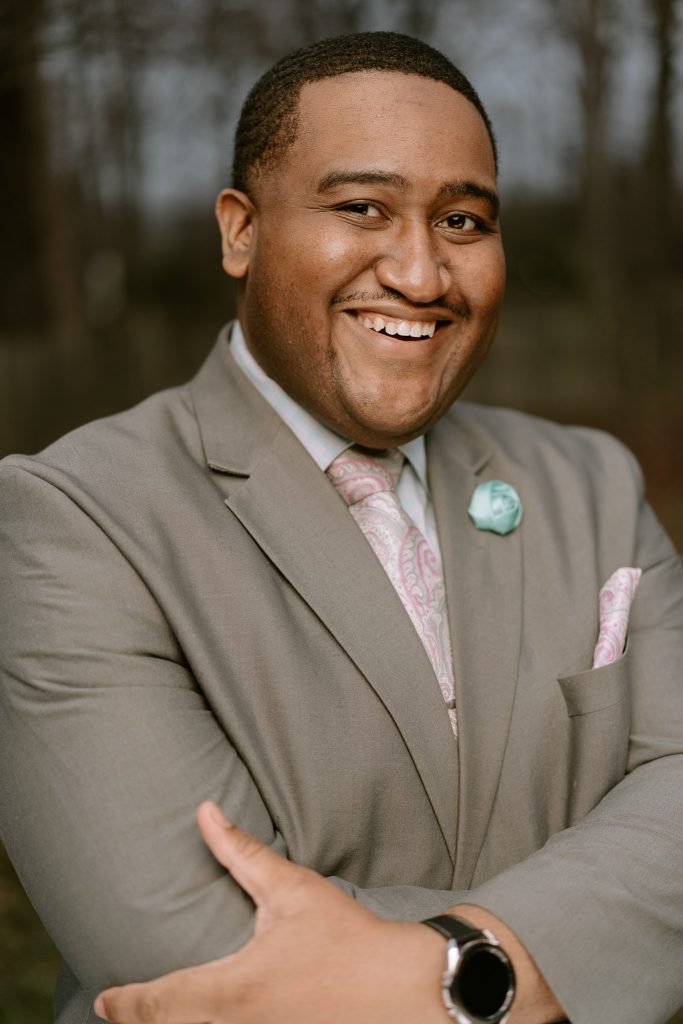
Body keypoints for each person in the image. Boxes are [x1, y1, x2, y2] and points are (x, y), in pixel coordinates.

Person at [0, 30, 681, 1024]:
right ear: (240, 231)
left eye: (461, 220)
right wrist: (566, 949)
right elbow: (181, 946)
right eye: (361, 207)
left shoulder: (592, 483)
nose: (420, 273)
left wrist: (461, 966)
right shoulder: (71, 518)